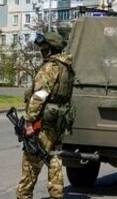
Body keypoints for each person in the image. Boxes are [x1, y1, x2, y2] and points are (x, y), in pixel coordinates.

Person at [17, 32, 75, 199]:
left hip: (43, 123)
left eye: (44, 47)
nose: (41, 50)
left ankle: (23, 196)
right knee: (55, 160)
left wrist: (29, 122)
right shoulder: (67, 67)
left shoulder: (51, 67)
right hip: (58, 121)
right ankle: (56, 195)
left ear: (51, 48)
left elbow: (40, 95)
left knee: (31, 162)